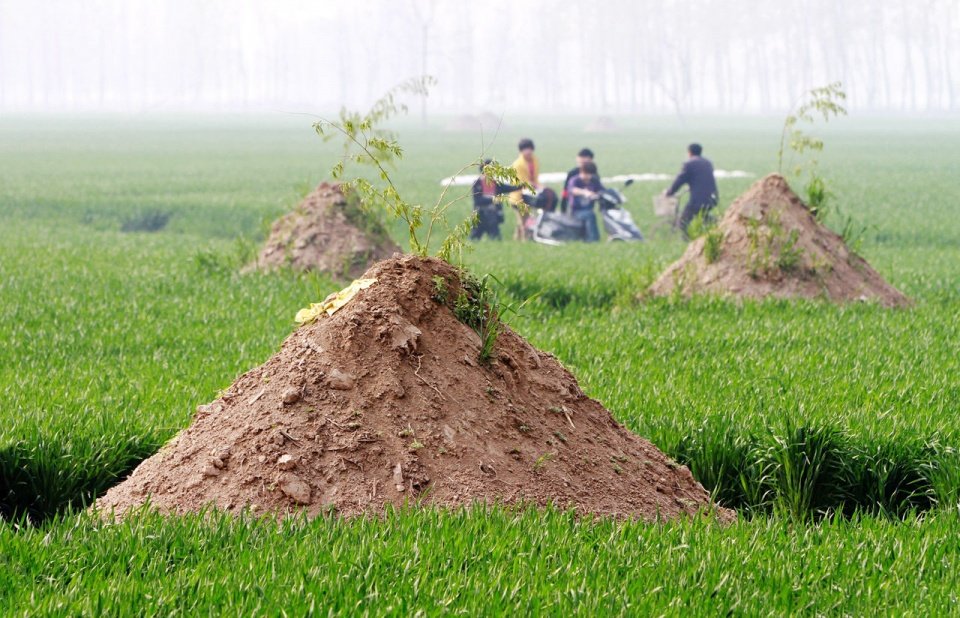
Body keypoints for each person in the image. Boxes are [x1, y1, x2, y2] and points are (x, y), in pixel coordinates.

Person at [664, 143, 719, 238]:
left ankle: (688, 241)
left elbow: (680, 180)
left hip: (698, 200)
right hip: (712, 198)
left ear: (689, 152)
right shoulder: (707, 162)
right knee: (703, 216)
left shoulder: (689, 164)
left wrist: (670, 192)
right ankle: (718, 224)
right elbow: (701, 179)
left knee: (683, 221)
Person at [508, 138, 557, 240]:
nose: (528, 151)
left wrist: (540, 186)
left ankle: (517, 240)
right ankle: (525, 241)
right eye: (525, 149)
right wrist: (537, 186)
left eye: (529, 149)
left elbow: (534, 178)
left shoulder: (535, 160)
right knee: (524, 222)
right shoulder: (518, 164)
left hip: (529, 195)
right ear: (521, 151)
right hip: (518, 197)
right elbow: (522, 183)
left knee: (524, 220)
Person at [470, 159, 518, 240]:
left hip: (492, 215)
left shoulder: (495, 183)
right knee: (475, 238)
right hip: (480, 215)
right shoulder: (477, 183)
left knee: (495, 238)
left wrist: (522, 186)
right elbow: (478, 200)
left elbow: (508, 188)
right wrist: (493, 199)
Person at [566, 161, 603, 242]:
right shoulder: (574, 180)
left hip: (588, 209)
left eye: (590, 174)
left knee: (591, 213)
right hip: (575, 211)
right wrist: (585, 192)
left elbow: (602, 191)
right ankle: (593, 240)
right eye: (586, 173)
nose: (588, 176)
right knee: (590, 215)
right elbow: (573, 190)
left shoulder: (594, 181)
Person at [562, 148, 598, 213]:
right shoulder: (572, 174)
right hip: (574, 207)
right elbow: (567, 190)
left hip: (588, 206)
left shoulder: (594, 174)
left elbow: (599, 189)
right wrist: (563, 208)